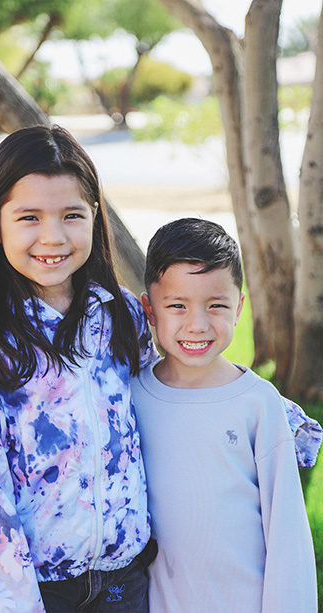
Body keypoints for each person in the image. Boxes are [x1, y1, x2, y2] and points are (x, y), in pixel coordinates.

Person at [0, 126, 160, 612]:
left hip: (127, 573)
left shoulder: (121, 315)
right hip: (42, 588)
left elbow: (174, 390)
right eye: (29, 217)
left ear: (94, 217)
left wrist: (264, 416)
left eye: (71, 216)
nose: (52, 237)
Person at [132, 218, 320, 612]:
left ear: (239, 307)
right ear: (150, 309)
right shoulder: (131, 398)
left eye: (216, 305)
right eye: (177, 305)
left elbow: (287, 535)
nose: (197, 325)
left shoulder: (258, 404)